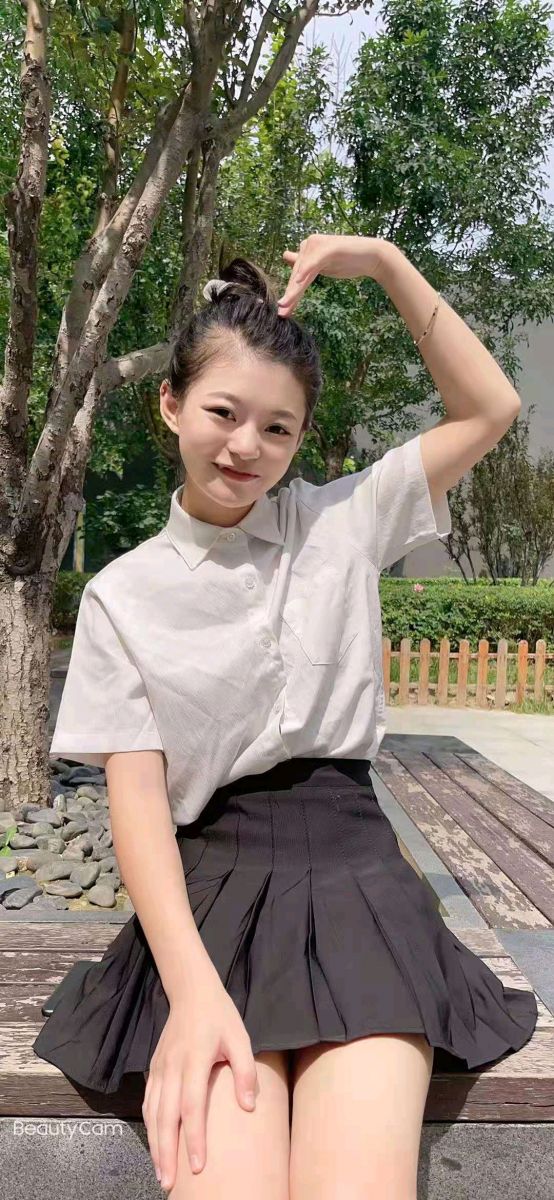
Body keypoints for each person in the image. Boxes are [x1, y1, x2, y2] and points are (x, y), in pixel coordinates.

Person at [33, 235, 537, 1200]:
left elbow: (492, 408)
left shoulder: (343, 523)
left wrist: (386, 263)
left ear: (302, 438)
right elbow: (138, 807)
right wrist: (191, 995)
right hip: (210, 902)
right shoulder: (121, 597)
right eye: (223, 413)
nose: (246, 448)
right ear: (171, 404)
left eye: (279, 428)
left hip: (360, 887)